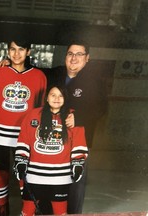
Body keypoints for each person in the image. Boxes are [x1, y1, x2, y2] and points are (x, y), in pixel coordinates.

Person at [0, 39, 47, 215]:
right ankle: (3, 208)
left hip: (24, 137)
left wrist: (38, 133)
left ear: (29, 52)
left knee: (25, 175)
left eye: (21, 49)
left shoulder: (39, 76)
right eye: (12, 49)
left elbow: (41, 109)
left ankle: (28, 210)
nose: (16, 54)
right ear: (8, 51)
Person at [44, 40, 108, 214]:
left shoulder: (95, 81)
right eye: (70, 54)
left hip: (79, 141)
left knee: (75, 182)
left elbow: (101, 107)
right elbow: (29, 71)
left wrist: (79, 118)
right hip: (53, 140)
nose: (74, 58)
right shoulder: (55, 74)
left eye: (79, 54)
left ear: (87, 58)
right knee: (51, 179)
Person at [13, 85, 88, 215]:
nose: (57, 99)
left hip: (60, 177)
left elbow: (78, 144)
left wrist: (78, 164)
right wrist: (21, 160)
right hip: (34, 175)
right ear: (47, 98)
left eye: (60, 95)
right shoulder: (33, 115)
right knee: (27, 211)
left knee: (60, 212)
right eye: (53, 95)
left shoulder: (72, 117)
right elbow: (24, 140)